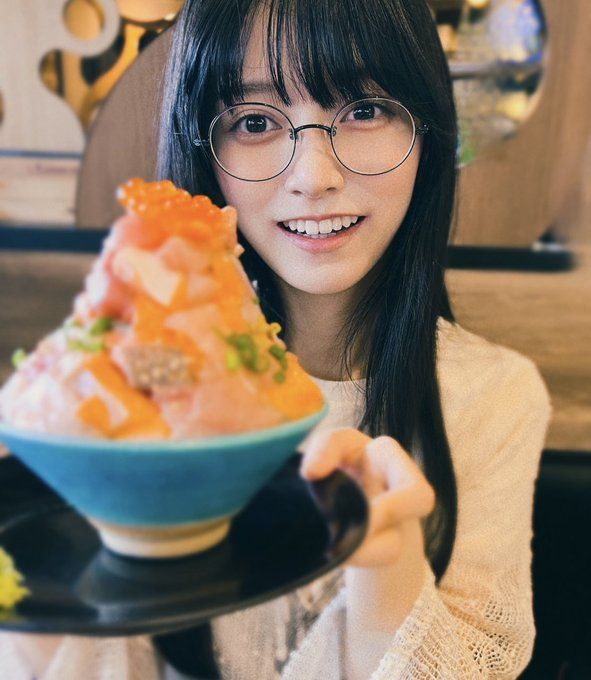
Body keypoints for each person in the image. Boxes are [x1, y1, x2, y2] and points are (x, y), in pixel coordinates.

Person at [0, 0, 552, 678]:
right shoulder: (128, 391)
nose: (313, 177)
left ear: (428, 132)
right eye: (255, 122)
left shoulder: (493, 396)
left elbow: (479, 661)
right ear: (204, 149)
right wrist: (45, 546)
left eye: (364, 109)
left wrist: (388, 560)